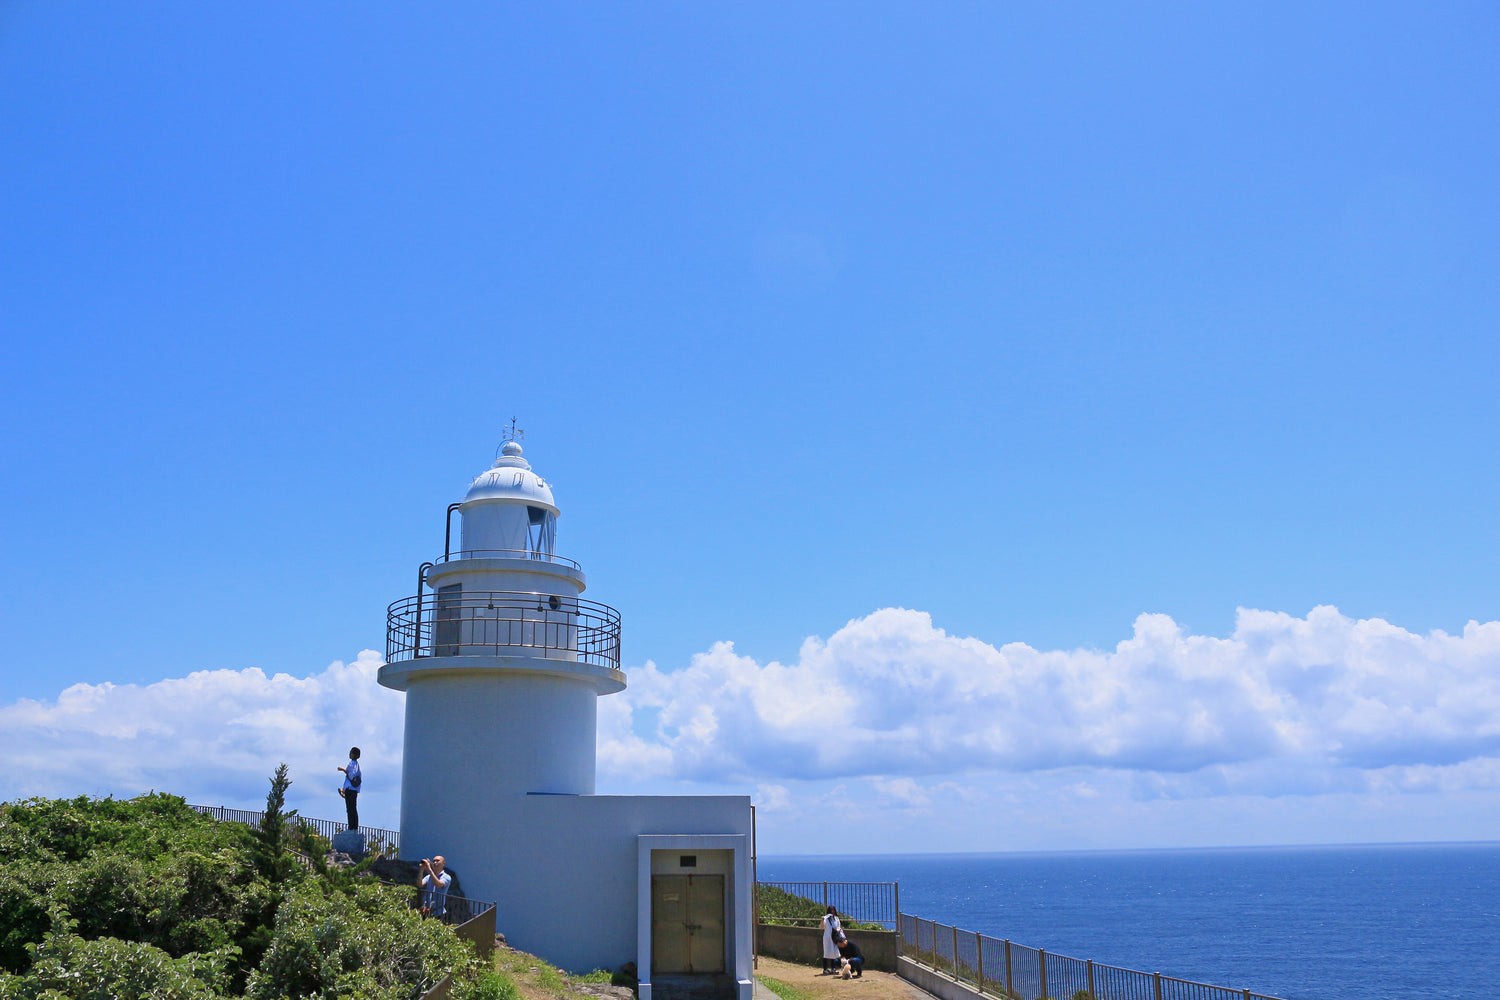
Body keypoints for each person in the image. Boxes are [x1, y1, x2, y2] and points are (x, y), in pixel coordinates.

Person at [337, 747, 362, 830]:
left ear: (354, 754)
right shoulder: (356, 764)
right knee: (352, 808)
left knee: (350, 809)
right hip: (353, 790)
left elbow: (351, 775)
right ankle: (353, 827)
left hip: (350, 790)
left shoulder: (352, 763)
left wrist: (343, 770)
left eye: (351, 752)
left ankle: (352, 827)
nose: (349, 754)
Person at [820, 906, 842, 974]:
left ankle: (833, 968)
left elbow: (839, 927)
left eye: (833, 910)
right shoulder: (826, 919)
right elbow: (821, 927)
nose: (832, 912)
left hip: (834, 937)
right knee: (826, 953)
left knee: (834, 953)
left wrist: (837, 929)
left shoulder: (836, 918)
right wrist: (822, 920)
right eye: (831, 910)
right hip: (827, 938)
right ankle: (825, 969)